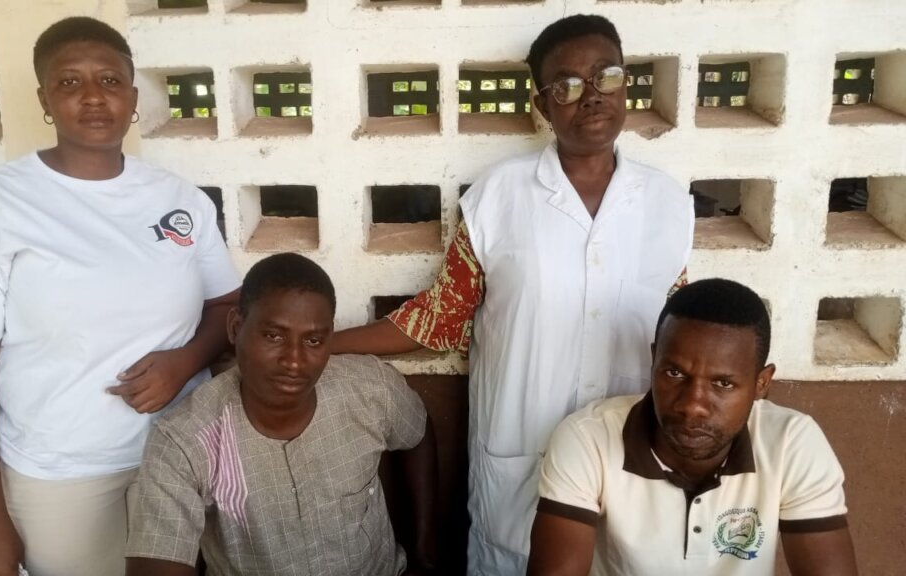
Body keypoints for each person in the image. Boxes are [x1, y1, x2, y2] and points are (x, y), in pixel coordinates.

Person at [331, 14, 693, 574]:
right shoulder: (498, 197)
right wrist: (320, 345)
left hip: (630, 458)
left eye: (606, 76)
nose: (591, 96)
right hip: (522, 458)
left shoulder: (668, 204)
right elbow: (441, 319)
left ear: (627, 84)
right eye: (566, 85)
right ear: (543, 105)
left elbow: (681, 335)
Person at [0, 17, 241, 576]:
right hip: (61, 472)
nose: (93, 97)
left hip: (182, 453)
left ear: (133, 97)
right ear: (44, 99)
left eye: (110, 80)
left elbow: (227, 308)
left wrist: (184, 362)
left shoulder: (179, 200)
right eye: (69, 82)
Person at [125, 253, 439, 576]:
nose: (294, 361)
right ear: (235, 328)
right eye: (273, 336)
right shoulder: (184, 441)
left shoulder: (370, 388)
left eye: (313, 340)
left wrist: (424, 548)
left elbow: (417, 429)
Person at [528, 279, 858, 576]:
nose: (693, 405)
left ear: (761, 383)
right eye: (675, 374)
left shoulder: (791, 443)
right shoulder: (588, 438)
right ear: (654, 360)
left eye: (723, 383)